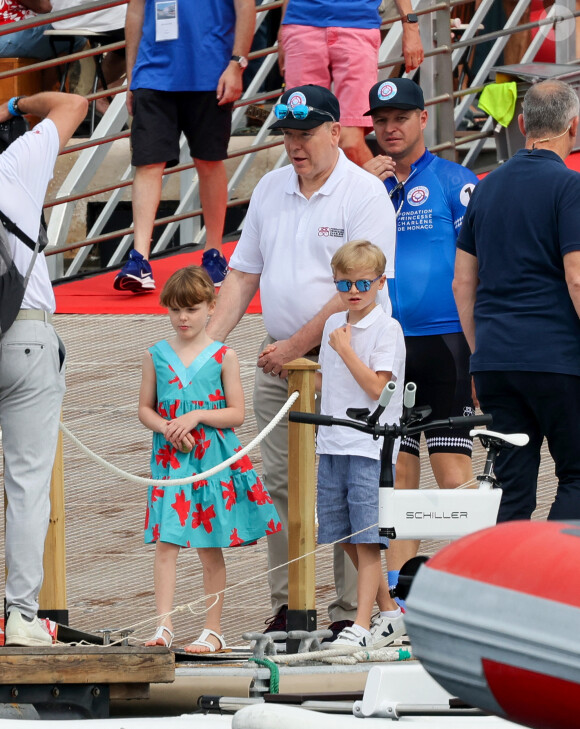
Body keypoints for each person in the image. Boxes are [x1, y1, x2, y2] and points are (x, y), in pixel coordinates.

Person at [206, 84, 397, 641]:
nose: (295, 145)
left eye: (306, 133)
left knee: (343, 483)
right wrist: (205, 352)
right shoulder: (269, 188)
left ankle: (344, 612)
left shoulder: (363, 194)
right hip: (279, 357)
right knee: (280, 484)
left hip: (342, 358)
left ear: (335, 132)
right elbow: (242, 275)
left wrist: (294, 348)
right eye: (288, 134)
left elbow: (354, 292)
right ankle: (290, 606)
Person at [362, 78, 479, 601]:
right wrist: (365, 189)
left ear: (422, 118)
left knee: (452, 472)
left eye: (401, 118)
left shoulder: (456, 181)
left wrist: (483, 349)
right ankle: (401, 601)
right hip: (389, 347)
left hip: (446, 344)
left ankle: (479, 587)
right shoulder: (365, 186)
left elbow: (481, 267)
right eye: (382, 120)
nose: (390, 128)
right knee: (399, 478)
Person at [453, 79, 580, 522]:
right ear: (574, 127)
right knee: (578, 476)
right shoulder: (570, 187)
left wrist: (478, 354)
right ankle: (554, 580)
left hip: (495, 360)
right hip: (558, 357)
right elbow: (577, 277)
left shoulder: (484, 188)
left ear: (522, 123)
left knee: (512, 487)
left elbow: (462, 284)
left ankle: (509, 587)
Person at [138, 265, 280, 653]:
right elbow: (144, 409)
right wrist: (167, 427)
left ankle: (213, 628)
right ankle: (163, 624)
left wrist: (197, 416)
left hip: (213, 463)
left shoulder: (224, 356)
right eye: (176, 310)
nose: (183, 318)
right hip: (171, 463)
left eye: (193, 309)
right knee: (166, 542)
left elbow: (236, 413)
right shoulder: (156, 355)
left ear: (210, 307)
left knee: (208, 543)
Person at [0, 90, 88, 646]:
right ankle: (20, 615)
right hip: (23, 333)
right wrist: (14, 106)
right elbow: (75, 103)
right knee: (28, 482)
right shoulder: (15, 161)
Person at [114, 0, 256, 293]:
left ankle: (214, 252)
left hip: (212, 72)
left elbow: (246, 7)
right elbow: (136, 11)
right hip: (153, 73)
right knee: (148, 162)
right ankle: (140, 257)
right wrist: (131, 77)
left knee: (209, 161)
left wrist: (236, 64)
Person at [315, 239, 406, 648]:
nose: (353, 291)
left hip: (369, 446)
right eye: (345, 283)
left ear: (380, 283)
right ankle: (389, 613)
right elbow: (325, 383)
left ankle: (363, 626)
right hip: (332, 442)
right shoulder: (333, 326)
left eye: (363, 283)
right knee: (343, 534)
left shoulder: (387, 328)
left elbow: (376, 387)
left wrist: (347, 349)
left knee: (367, 539)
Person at [277, 0, 424, 167]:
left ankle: (385, 192)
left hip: (357, 24)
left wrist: (410, 25)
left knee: (350, 141)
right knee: (304, 139)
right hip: (300, 24)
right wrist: (282, 37)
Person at [0, 0, 85, 58]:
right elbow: (43, 6)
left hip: (8, 31)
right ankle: (41, 85)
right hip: (8, 34)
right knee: (77, 36)